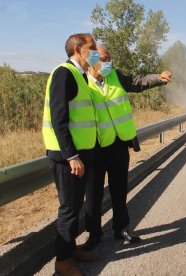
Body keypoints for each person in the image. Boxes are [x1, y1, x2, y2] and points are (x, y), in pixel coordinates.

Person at [83, 45, 172, 251]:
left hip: (118, 144)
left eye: (110, 57)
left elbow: (138, 81)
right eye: (104, 58)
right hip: (95, 147)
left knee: (119, 189)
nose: (109, 62)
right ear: (91, 60)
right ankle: (94, 234)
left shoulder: (116, 76)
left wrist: (158, 78)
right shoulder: (81, 81)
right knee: (94, 194)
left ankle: (121, 228)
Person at [42, 33, 101, 275]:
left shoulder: (81, 75)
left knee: (76, 206)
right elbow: (59, 119)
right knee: (68, 208)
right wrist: (72, 156)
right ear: (78, 49)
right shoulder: (63, 72)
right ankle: (63, 262)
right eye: (93, 46)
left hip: (80, 155)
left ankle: (71, 250)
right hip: (67, 157)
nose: (96, 51)